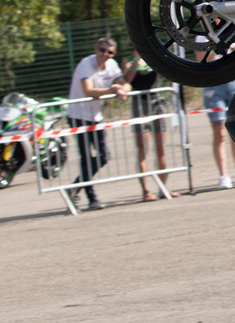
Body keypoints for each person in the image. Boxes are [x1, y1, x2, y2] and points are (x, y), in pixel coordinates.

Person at [68, 37, 127, 210]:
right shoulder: (86, 64)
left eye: (109, 52)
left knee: (104, 155)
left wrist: (122, 89)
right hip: (78, 114)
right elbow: (88, 90)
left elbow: (124, 84)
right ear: (96, 49)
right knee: (86, 158)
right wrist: (112, 90)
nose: (105, 55)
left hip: (95, 115)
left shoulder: (112, 65)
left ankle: (74, 188)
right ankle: (91, 197)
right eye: (102, 50)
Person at [122, 54, 176, 200]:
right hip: (139, 105)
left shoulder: (152, 55)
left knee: (161, 149)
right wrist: (135, 64)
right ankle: (145, 191)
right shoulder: (128, 61)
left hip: (156, 103)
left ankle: (163, 188)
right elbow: (127, 80)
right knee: (142, 150)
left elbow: (166, 70)